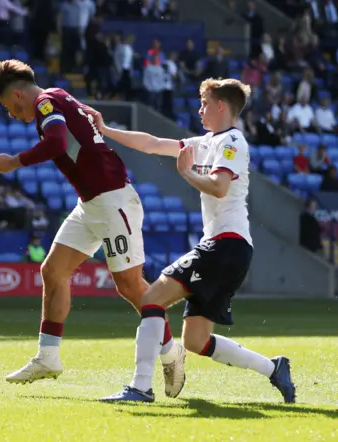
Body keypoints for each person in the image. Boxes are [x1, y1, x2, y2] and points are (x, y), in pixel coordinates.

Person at [0, 59, 185, 397]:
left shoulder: (45, 103)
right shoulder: (58, 95)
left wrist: (14, 161)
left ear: (18, 94)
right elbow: (86, 116)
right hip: (91, 204)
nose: (11, 114)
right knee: (53, 270)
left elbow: (57, 144)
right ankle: (48, 357)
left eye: (8, 106)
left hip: (113, 201)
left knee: (131, 286)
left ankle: (170, 352)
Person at [93, 78, 296, 404]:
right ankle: (273, 368)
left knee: (151, 299)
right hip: (228, 248)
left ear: (220, 106)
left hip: (225, 244)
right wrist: (106, 130)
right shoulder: (205, 142)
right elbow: (153, 143)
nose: (199, 110)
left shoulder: (232, 142)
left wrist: (186, 174)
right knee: (196, 340)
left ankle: (140, 388)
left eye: (204, 104)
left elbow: (219, 187)